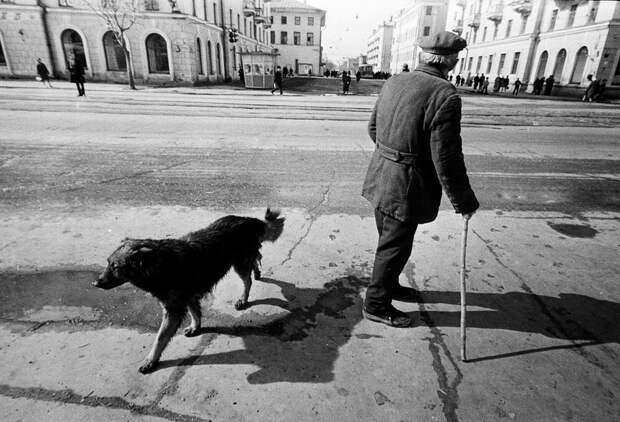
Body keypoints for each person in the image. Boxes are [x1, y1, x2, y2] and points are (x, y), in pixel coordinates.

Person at [361, 31, 479, 327]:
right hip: (406, 186)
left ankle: (390, 286)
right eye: (455, 58)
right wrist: (463, 201)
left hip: (380, 177)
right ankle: (376, 305)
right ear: (450, 61)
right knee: (394, 245)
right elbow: (446, 157)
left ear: (424, 56)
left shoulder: (394, 81)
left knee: (391, 241)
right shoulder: (445, 94)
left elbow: (373, 129)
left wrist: (393, 153)